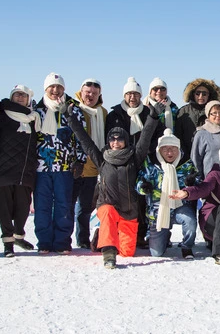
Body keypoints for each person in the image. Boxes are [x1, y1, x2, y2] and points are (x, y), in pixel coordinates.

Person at [67, 101, 161, 268]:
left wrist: (153, 117)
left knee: (127, 252)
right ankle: (108, 253)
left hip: (128, 209)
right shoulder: (102, 159)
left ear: (126, 141)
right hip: (107, 204)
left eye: (120, 139)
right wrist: (71, 119)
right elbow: (85, 141)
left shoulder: (134, 158)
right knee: (109, 213)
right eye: (112, 139)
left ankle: (101, 236)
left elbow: (145, 138)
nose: (116, 142)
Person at [33, 73, 86, 254]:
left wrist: (80, 160)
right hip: (41, 167)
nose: (55, 90)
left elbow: (81, 136)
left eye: (59, 87)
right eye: (52, 87)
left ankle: (62, 241)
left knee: (64, 205)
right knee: (42, 206)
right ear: (45, 88)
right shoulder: (37, 111)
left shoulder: (73, 110)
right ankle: (44, 242)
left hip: (65, 166)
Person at [0, 85, 40, 257]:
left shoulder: (33, 118)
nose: (20, 97)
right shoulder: (1, 115)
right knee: (4, 209)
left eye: (23, 95)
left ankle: (18, 235)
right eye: (17, 94)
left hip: (25, 170)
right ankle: (8, 243)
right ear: (11, 97)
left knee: (23, 208)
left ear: (28, 99)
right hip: (3, 170)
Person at [136, 129, 199, 259]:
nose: (170, 152)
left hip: (180, 205)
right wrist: (144, 187)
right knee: (156, 253)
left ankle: (187, 246)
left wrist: (192, 183)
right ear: (159, 150)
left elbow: (199, 183)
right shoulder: (151, 163)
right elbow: (138, 183)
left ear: (178, 149)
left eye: (173, 149)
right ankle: (164, 237)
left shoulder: (186, 163)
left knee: (190, 222)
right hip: (158, 209)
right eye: (165, 149)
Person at [106, 77, 153, 248]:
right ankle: (119, 234)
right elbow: (109, 139)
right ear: (124, 95)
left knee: (141, 199)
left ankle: (140, 235)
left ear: (140, 95)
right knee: (122, 200)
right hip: (122, 163)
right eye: (129, 94)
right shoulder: (115, 115)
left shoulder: (148, 113)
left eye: (136, 94)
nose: (132, 97)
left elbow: (155, 135)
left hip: (143, 161)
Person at [71, 78, 107, 249]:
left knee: (85, 207)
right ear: (81, 92)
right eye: (87, 92)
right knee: (67, 206)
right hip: (74, 166)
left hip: (93, 166)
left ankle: (83, 239)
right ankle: (62, 240)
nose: (90, 96)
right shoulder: (73, 109)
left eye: (94, 93)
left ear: (99, 95)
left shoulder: (103, 113)